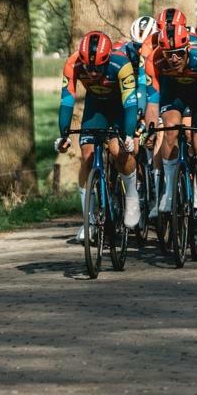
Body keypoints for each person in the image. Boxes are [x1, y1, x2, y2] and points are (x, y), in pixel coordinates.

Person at [142, 21, 197, 237]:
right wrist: (150, 129)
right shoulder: (154, 60)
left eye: (179, 53)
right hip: (173, 94)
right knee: (169, 129)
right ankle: (170, 190)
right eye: (169, 54)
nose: (174, 59)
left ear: (188, 48)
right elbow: (152, 103)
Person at [56, 31, 142, 239]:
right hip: (96, 108)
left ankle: (132, 196)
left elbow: (130, 104)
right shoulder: (73, 64)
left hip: (120, 107)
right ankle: (90, 221)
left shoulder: (121, 64)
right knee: (87, 156)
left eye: (98, 68)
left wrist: (129, 134)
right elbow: (66, 101)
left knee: (118, 151)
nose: (93, 73)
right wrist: (64, 134)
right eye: (89, 68)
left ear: (107, 60)